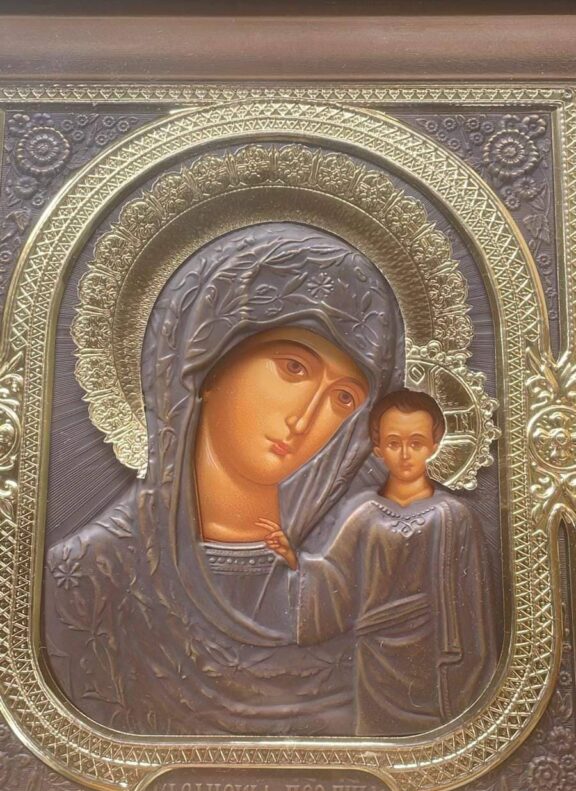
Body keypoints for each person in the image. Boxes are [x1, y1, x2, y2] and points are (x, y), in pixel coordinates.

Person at [43, 222, 404, 736]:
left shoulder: (353, 574)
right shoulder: (90, 576)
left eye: (343, 398)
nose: (306, 419)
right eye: (293, 368)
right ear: (209, 363)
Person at [261, 389, 499, 736]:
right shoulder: (365, 514)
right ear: (378, 449)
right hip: (377, 662)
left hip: (437, 658)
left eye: (416, 443)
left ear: (434, 445)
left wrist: (473, 670)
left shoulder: (455, 516)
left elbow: (473, 605)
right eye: (393, 443)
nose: (405, 454)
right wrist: (296, 560)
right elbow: (335, 577)